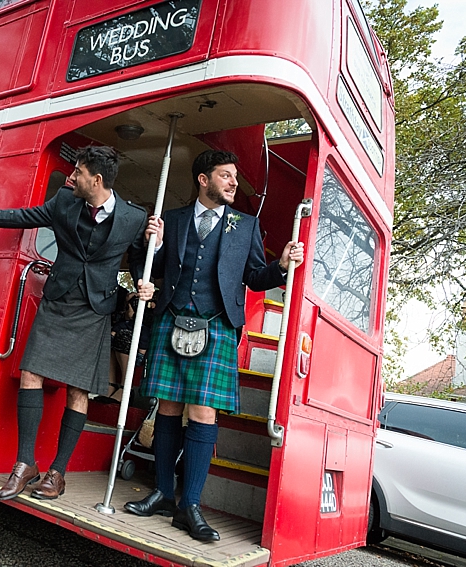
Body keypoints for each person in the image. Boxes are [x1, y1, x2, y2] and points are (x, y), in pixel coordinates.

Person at [0, 146, 147, 501]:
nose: (72, 177)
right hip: (58, 300)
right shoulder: (65, 202)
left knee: (79, 389)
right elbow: (23, 216)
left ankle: (58, 473)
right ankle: (25, 465)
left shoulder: (133, 218)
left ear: (96, 180)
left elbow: (143, 262)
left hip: (96, 308)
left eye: (79, 172)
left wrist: (150, 265)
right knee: (31, 373)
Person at [123, 149, 305, 541]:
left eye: (235, 176)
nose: (234, 183)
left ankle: (190, 504)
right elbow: (144, 265)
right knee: (167, 407)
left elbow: (256, 277)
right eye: (225, 175)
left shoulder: (246, 225)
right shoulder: (170, 220)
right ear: (203, 179)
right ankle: (163, 493)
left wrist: (282, 266)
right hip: (171, 316)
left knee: (203, 413)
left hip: (217, 323)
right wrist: (150, 250)